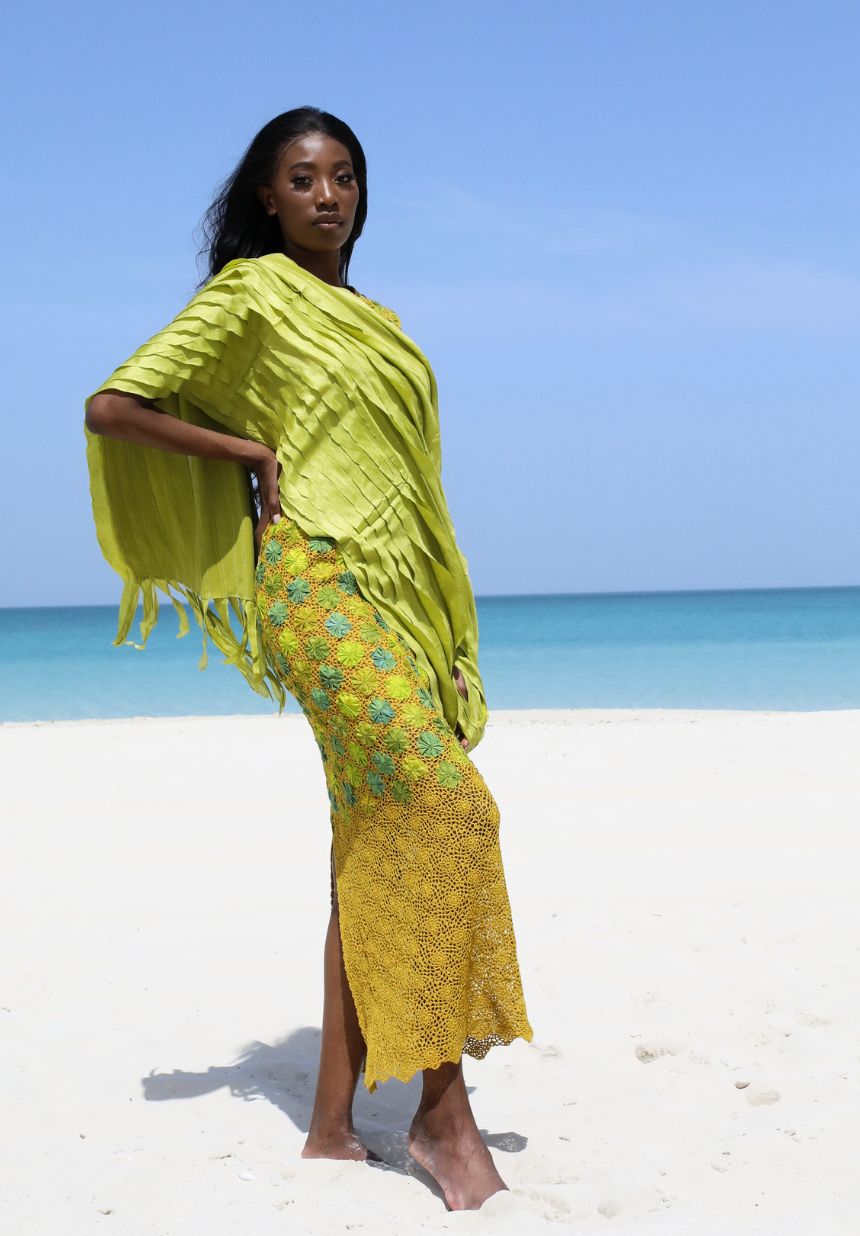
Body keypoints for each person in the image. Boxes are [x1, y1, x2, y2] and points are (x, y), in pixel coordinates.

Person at [83, 106, 533, 1211]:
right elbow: (113, 404)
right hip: (313, 586)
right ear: (266, 199)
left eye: (342, 176)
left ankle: (332, 1127)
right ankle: (438, 1110)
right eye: (301, 178)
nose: (326, 194)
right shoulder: (247, 296)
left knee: (372, 832)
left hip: (395, 597)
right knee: (445, 807)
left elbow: (408, 479)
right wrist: (243, 448)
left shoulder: (370, 316)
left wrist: (439, 621)